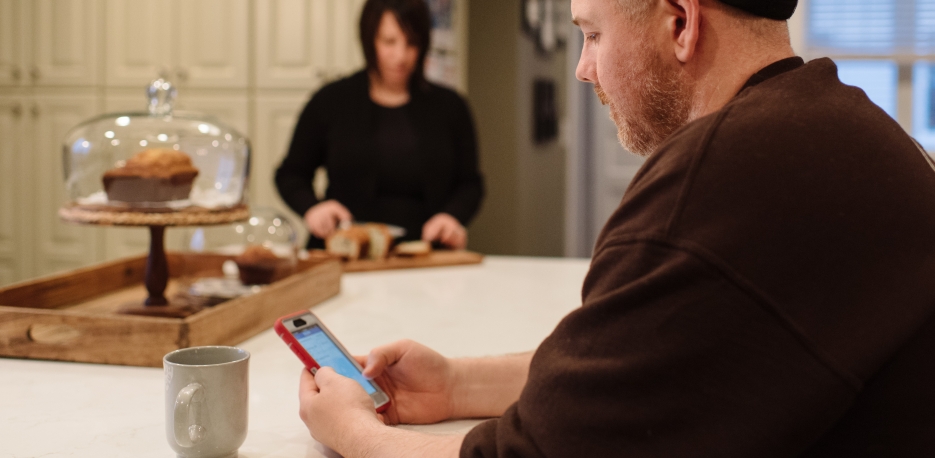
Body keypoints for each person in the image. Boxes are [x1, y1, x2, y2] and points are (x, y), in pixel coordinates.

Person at [297, 0, 935, 456]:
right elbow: (654, 369)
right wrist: (457, 384)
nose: (582, 68)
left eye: (593, 34)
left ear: (680, 23)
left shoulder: (712, 183)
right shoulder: (842, 126)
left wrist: (357, 433)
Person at [275, 0, 483, 250]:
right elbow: (290, 175)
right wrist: (313, 208)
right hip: (345, 250)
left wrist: (452, 216)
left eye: (412, 43)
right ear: (369, 39)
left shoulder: (451, 106)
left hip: (426, 252)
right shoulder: (331, 101)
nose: (401, 56)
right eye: (389, 42)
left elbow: (470, 184)